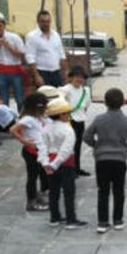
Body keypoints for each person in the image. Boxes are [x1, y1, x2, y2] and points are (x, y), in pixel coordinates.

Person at [82, 88, 127, 234]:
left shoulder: (99, 119)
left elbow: (87, 136)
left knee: (103, 191)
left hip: (102, 159)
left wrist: (97, 146)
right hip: (120, 159)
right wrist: (124, 149)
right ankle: (118, 220)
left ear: (105, 102)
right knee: (119, 191)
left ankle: (102, 222)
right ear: (124, 102)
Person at [39, 97, 86, 229]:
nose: (69, 115)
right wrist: (55, 164)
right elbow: (66, 151)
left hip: (50, 160)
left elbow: (42, 147)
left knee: (53, 191)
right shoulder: (68, 129)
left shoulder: (46, 128)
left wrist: (46, 164)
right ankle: (70, 219)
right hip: (65, 163)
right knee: (69, 191)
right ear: (61, 114)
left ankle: (54, 217)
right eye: (67, 113)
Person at [10, 92, 50, 211]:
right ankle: (31, 201)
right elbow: (12, 130)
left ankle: (40, 195)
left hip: (42, 150)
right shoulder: (28, 119)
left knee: (43, 173)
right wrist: (26, 142)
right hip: (32, 151)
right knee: (33, 176)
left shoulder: (41, 117)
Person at [0, 12, 25, 108]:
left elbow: (22, 55)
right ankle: (7, 121)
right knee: (3, 98)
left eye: (0, 25)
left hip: (15, 71)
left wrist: (9, 46)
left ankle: (22, 118)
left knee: (19, 98)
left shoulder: (14, 37)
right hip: (0, 71)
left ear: (4, 25)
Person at [60, 66, 92, 177]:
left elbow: (86, 105)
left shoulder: (86, 90)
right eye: (77, 77)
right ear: (71, 77)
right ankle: (69, 169)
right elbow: (59, 104)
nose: (79, 79)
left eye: (82, 77)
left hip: (80, 120)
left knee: (77, 145)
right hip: (69, 121)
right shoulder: (65, 89)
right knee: (69, 146)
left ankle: (77, 168)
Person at [25, 10, 67, 87]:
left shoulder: (56, 35)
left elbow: (61, 54)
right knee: (44, 98)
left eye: (48, 21)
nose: (46, 24)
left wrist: (64, 73)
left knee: (58, 96)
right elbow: (30, 57)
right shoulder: (32, 36)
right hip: (42, 73)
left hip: (56, 72)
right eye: (43, 21)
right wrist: (36, 76)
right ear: (38, 22)